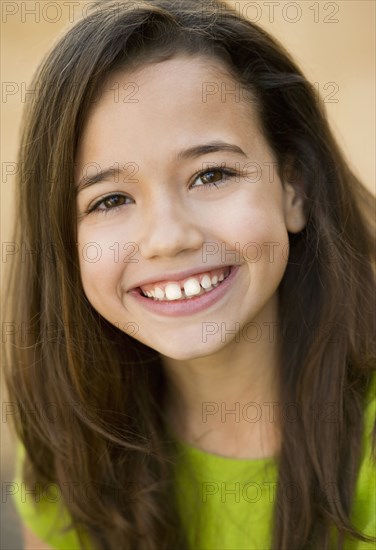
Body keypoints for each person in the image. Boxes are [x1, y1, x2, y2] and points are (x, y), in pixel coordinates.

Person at [3, 0, 375, 549]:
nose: (169, 236)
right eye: (109, 201)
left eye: (211, 174)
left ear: (293, 188)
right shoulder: (71, 441)